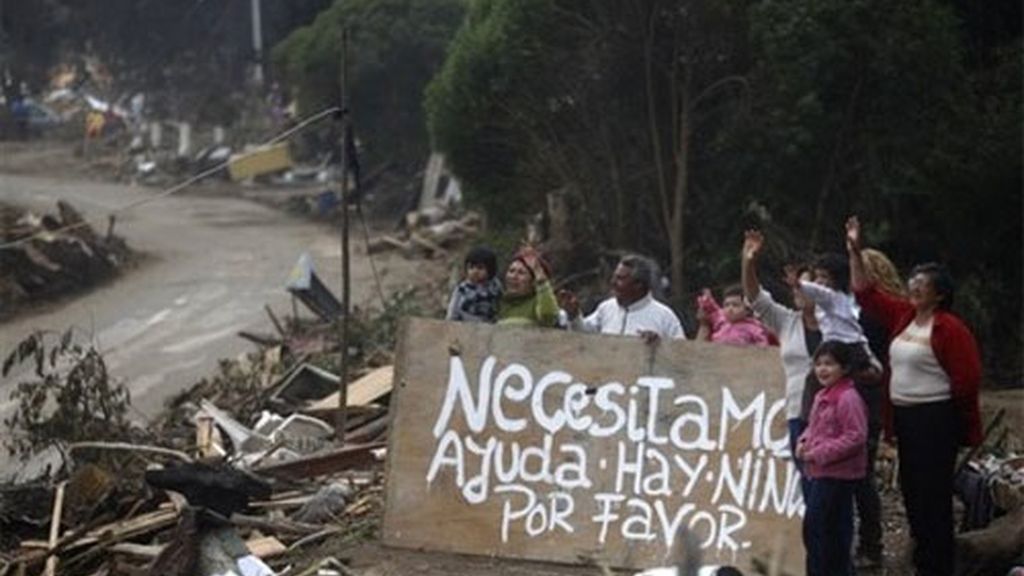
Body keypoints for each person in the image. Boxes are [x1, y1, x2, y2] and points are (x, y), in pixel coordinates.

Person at [847, 216, 982, 576]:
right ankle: (924, 559)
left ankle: (939, 564)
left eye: (922, 284)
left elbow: (967, 380)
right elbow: (866, 294)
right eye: (913, 281)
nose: (914, 287)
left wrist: (958, 424)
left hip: (935, 419)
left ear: (939, 293)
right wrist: (855, 251)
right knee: (912, 492)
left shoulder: (950, 328)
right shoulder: (904, 315)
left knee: (933, 495)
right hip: (906, 417)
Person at [740, 230, 821, 489]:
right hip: (798, 412)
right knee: (807, 482)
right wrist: (748, 262)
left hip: (834, 418)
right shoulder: (787, 322)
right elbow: (756, 299)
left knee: (830, 487)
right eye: (795, 284)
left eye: (803, 285)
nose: (796, 289)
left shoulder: (839, 324)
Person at [797, 341, 868, 576]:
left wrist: (818, 453)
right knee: (831, 529)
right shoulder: (821, 395)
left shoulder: (848, 398)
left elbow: (856, 436)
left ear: (844, 368)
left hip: (837, 474)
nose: (822, 370)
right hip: (820, 471)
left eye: (829, 364)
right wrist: (804, 441)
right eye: (818, 364)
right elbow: (814, 427)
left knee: (817, 528)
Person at [558, 254, 685, 341]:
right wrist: (573, 315)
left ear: (638, 285)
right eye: (614, 277)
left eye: (620, 279)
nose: (613, 282)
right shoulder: (606, 308)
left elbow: (682, 356)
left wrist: (660, 346)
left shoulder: (665, 317)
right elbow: (584, 338)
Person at [497, 246, 560, 327]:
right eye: (511, 271)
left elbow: (549, 317)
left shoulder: (537, 303)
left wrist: (541, 281)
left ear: (533, 281)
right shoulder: (498, 302)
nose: (514, 277)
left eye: (521, 273)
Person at [695, 284, 775, 346]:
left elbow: (763, 346)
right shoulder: (721, 321)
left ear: (747, 310)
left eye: (735, 305)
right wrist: (706, 300)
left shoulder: (754, 327)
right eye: (726, 305)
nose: (730, 309)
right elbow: (713, 310)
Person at [445, 246, 502, 323]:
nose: (475, 271)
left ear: (490, 270)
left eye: (480, 268)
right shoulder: (462, 289)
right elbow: (453, 310)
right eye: (471, 267)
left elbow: (498, 308)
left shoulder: (495, 288)